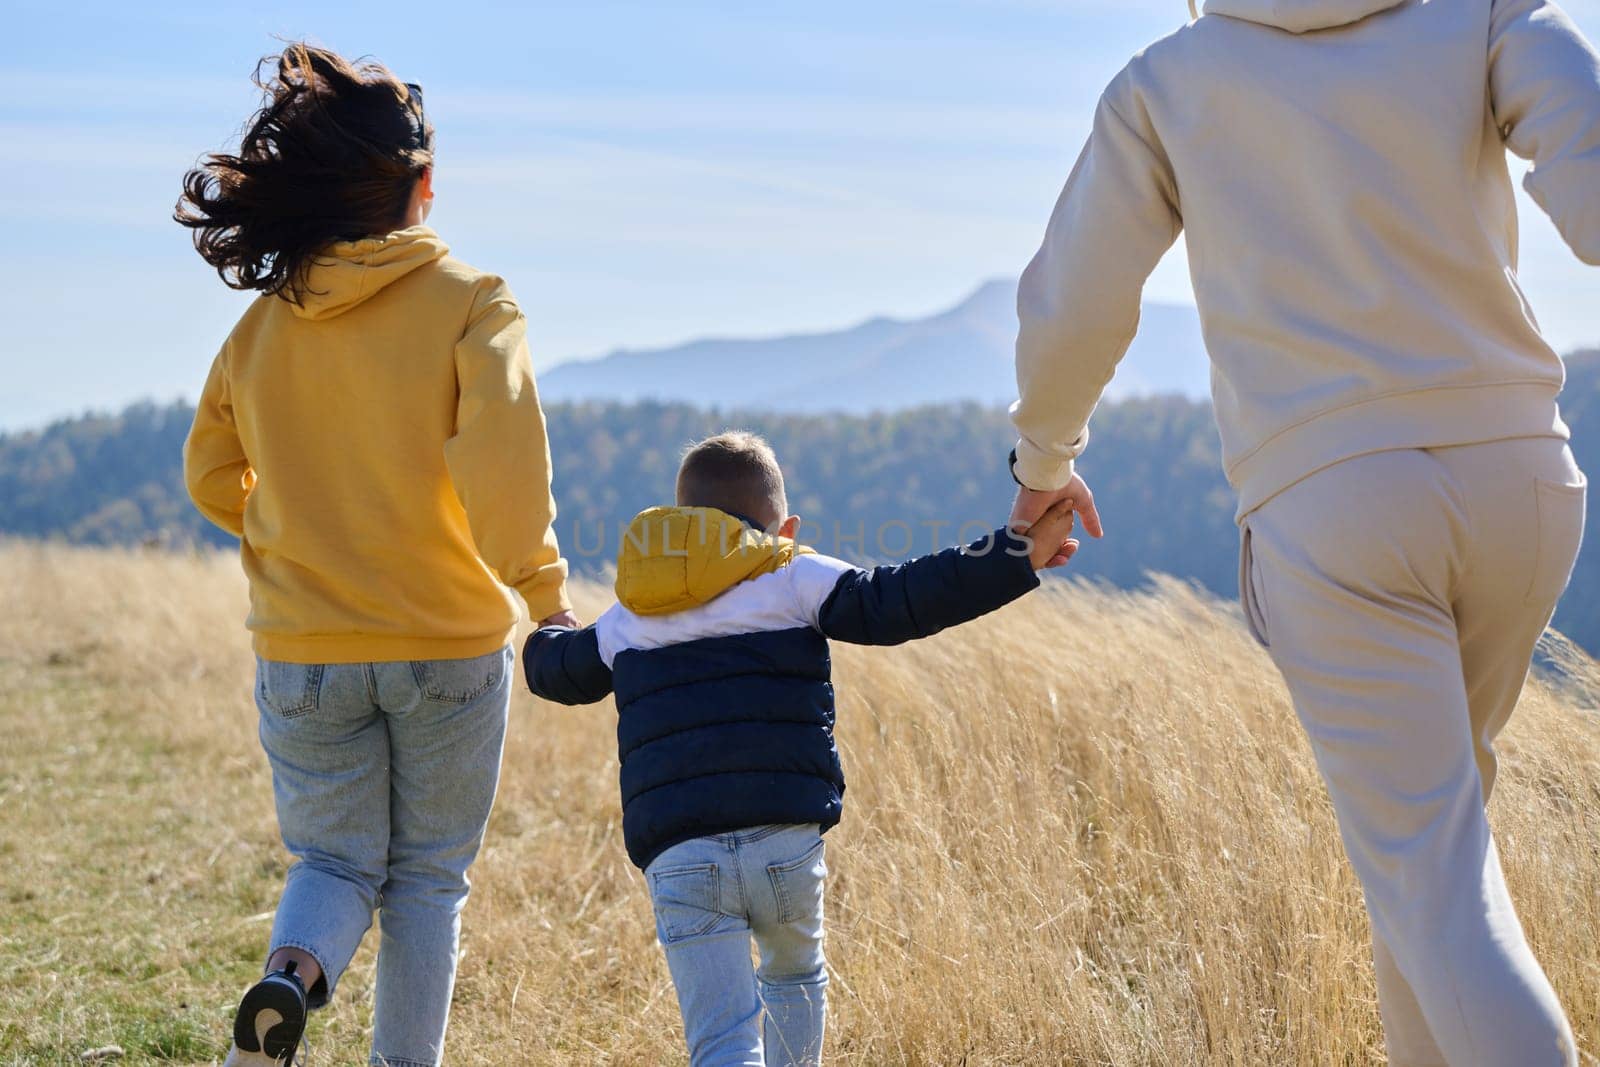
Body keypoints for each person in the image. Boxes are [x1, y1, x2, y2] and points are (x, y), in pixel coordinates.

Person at [1006, 1, 1595, 1063]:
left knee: (1432, 879)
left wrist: (1042, 462)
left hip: (1333, 499)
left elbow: (1072, 308)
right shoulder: (1487, 11)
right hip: (1522, 477)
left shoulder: (1165, 81)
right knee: (1427, 876)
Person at [177, 43, 574, 1067]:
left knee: (333, 859)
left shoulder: (264, 325)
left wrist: (285, 530)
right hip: (446, 645)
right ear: (424, 188)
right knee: (428, 879)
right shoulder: (473, 301)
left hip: (303, 648)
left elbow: (210, 473)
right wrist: (543, 594)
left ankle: (290, 980)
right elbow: (502, 463)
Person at [523, 431, 1080, 1066]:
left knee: (723, 1040)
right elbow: (901, 598)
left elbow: (558, 673)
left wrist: (548, 630)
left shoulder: (630, 615)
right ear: (782, 528)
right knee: (794, 979)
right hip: (782, 840)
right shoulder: (791, 574)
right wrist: (1013, 555)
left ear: (679, 523)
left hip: (679, 853)